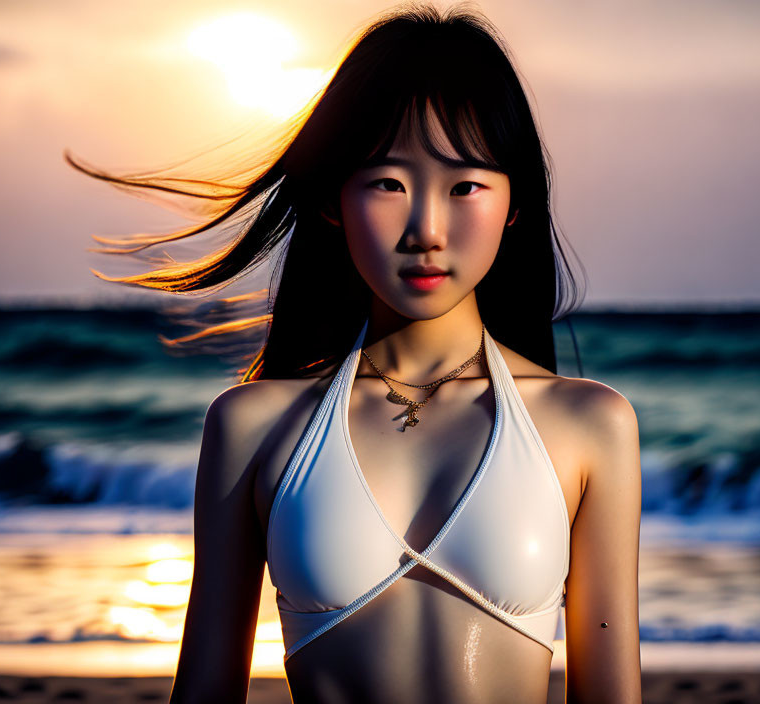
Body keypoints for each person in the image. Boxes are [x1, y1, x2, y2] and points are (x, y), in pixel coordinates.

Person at [69, 3, 642, 702]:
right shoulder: (252, 426)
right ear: (333, 201)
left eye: (465, 186)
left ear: (514, 203)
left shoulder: (590, 425)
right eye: (387, 184)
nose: (426, 230)